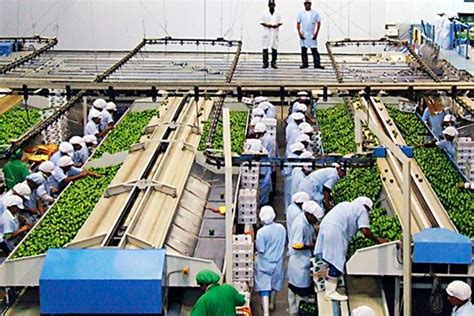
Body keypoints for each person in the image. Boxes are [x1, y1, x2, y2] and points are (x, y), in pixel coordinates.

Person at [314, 197, 387, 301]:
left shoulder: (345, 204)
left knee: (330, 257)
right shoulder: (362, 210)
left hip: (325, 226)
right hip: (335, 231)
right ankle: (330, 292)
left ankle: (329, 285)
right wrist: (378, 240)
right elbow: (365, 230)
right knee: (336, 260)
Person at [287, 200, 324, 316]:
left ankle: (293, 310)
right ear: (309, 214)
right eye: (315, 219)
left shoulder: (306, 221)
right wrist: (311, 246)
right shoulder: (301, 225)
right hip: (299, 262)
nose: (316, 221)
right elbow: (296, 245)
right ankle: (295, 312)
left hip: (302, 261)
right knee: (300, 291)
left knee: (294, 289)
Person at [254, 206, 286, 315]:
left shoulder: (261, 233)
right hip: (278, 263)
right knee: (274, 285)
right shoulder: (281, 228)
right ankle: (272, 303)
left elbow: (261, 249)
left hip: (264, 264)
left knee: (264, 288)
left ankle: (266, 312)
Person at [296, 0, 324, 69]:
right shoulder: (301, 13)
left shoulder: (315, 13)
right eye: (306, 4)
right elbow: (298, 23)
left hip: (312, 34)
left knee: (314, 50)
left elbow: (319, 22)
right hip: (304, 34)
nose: (307, 5)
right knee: (304, 50)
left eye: (308, 4)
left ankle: (317, 64)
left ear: (310, 4)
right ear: (304, 5)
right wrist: (299, 33)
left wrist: (316, 33)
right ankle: (305, 64)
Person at [261, 0, 282, 69]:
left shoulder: (278, 13)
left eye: (273, 5)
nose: (271, 6)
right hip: (267, 32)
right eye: (270, 5)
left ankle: (273, 62)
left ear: (275, 5)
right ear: (268, 5)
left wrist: (277, 25)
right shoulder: (264, 13)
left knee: (274, 47)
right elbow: (261, 22)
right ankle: (265, 63)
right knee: (265, 47)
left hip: (275, 32)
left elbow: (280, 22)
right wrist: (267, 25)